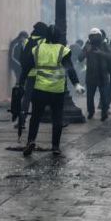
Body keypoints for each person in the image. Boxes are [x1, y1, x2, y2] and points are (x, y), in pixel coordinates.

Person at [20, 26, 83, 156]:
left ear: (46, 36)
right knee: (57, 118)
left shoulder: (37, 49)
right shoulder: (62, 50)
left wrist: (20, 83)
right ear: (59, 37)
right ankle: (55, 146)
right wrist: (76, 84)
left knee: (35, 117)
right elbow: (70, 69)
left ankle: (31, 141)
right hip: (57, 91)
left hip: (40, 89)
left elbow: (26, 68)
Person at [78, 28, 111, 121]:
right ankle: (91, 112)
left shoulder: (105, 45)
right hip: (91, 75)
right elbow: (80, 57)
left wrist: (101, 53)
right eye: (92, 36)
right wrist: (87, 51)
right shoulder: (87, 45)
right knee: (90, 96)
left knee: (104, 96)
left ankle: (104, 113)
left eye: (96, 36)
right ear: (90, 37)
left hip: (103, 74)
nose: (95, 38)